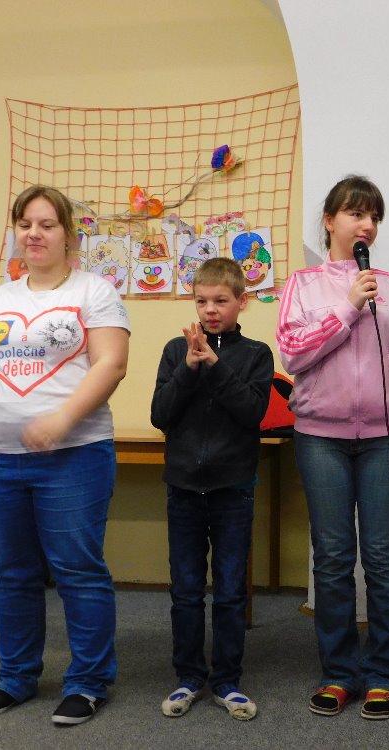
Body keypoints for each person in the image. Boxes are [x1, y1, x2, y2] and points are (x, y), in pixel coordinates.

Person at [0, 185, 130, 726]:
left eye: (47, 224)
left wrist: (62, 419)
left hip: (75, 455)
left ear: (68, 234)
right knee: (11, 574)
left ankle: (88, 682)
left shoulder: (94, 290)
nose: (34, 233)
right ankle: (16, 678)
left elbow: (111, 363)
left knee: (78, 570)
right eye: (25, 224)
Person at [276, 175, 389, 721]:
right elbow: (293, 353)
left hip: (387, 438)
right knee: (334, 558)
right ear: (329, 221)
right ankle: (339, 672)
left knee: (384, 559)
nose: (366, 224)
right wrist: (345, 307)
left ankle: (386, 674)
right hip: (321, 437)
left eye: (373, 216)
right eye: (355, 213)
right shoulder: (303, 285)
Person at [150, 257, 273, 721]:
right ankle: (188, 677)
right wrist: (188, 366)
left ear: (242, 302)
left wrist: (215, 365)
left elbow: (252, 413)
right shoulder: (173, 350)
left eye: (221, 301)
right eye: (201, 301)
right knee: (185, 590)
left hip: (232, 489)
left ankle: (227, 681)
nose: (210, 310)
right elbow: (160, 414)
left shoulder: (256, 354)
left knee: (229, 591)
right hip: (183, 488)